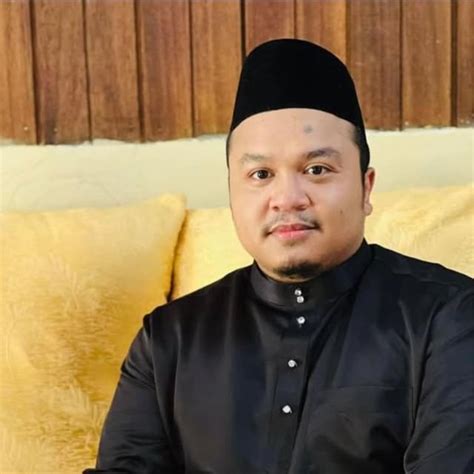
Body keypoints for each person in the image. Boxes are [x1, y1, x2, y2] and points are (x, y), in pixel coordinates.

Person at [83, 39, 473, 474]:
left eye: (317, 170)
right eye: (261, 174)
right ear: (232, 193)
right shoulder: (169, 339)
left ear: (365, 188)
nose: (287, 198)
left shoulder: (449, 318)